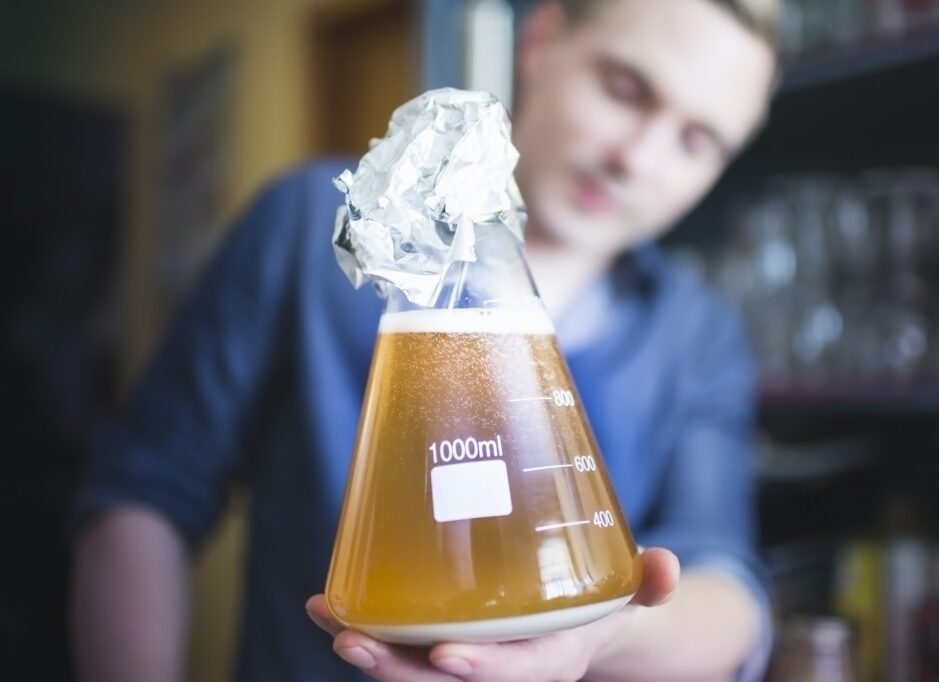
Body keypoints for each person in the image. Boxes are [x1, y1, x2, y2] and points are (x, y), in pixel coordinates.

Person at [71, 0, 779, 680]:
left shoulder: (697, 331)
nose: (638, 158)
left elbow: (727, 586)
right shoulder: (309, 227)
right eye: (624, 89)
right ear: (541, 44)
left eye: (697, 141)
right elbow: (144, 492)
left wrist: (606, 633)